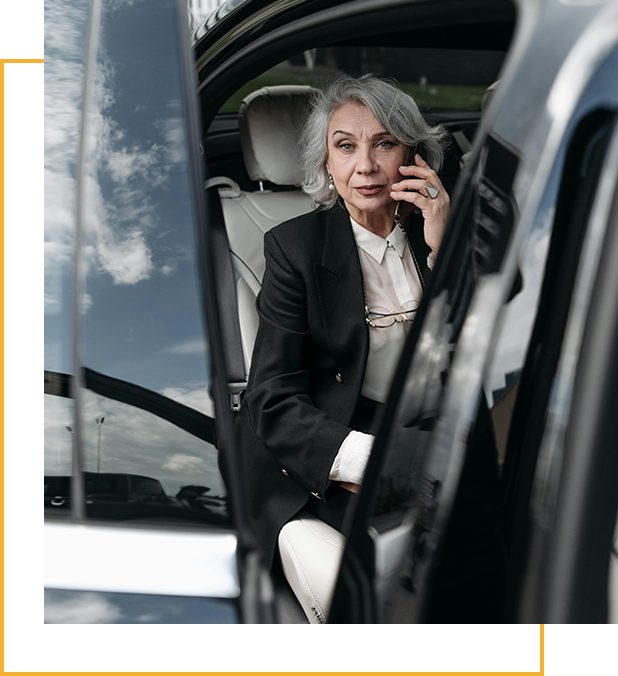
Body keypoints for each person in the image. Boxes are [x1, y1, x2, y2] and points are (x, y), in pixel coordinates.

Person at [235, 74, 450, 621]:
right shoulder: (295, 248)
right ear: (327, 165)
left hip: (436, 439)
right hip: (328, 456)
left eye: (384, 143)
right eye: (346, 146)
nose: (366, 166)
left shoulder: (445, 231)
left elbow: (500, 353)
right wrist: (371, 461)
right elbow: (271, 400)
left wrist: (448, 251)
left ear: (413, 155)